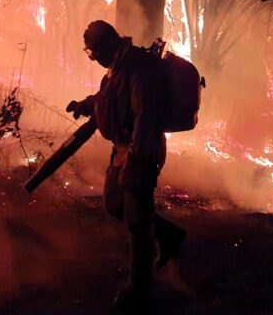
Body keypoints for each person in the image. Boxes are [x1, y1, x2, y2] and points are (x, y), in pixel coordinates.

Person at [67, 20, 186, 309]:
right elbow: (108, 98)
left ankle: (139, 289)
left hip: (141, 151)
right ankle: (169, 235)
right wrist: (85, 104)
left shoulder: (139, 67)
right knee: (113, 202)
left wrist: (137, 159)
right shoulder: (118, 67)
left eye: (94, 52)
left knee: (136, 219)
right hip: (123, 149)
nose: (94, 59)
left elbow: (144, 115)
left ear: (108, 44)